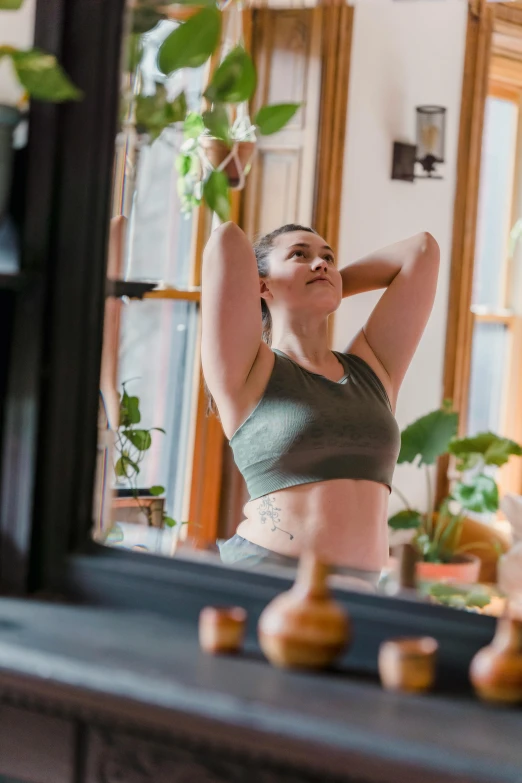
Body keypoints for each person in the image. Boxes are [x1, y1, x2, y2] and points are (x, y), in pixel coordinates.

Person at [201, 222, 439, 583]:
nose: (321, 263)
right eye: (300, 254)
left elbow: (422, 250)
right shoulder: (250, 370)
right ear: (261, 284)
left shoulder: (374, 368)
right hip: (264, 577)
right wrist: (306, 283)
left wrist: (330, 284)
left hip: (359, 592)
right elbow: (225, 241)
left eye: (328, 257)